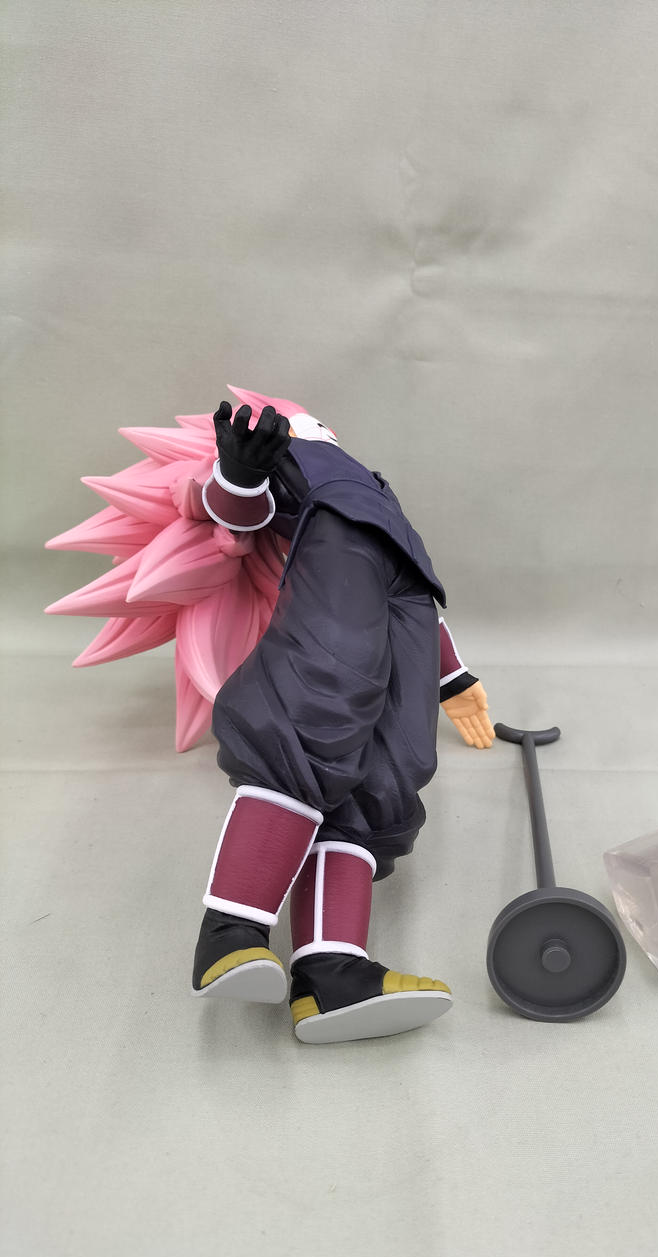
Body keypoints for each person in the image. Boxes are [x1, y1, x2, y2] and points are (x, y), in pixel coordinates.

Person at [190, 394, 494, 1043]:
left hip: (405, 592)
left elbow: (414, 600)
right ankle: (232, 930)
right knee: (317, 703)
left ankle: (331, 973)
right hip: (338, 555)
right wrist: (239, 472)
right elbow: (234, 515)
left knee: (389, 768)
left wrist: (452, 677)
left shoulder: (377, 488)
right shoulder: (291, 450)